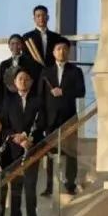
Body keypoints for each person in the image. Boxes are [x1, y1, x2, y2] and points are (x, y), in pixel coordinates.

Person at [2, 67, 46, 216]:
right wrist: (15, 137)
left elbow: (42, 122)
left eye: (26, 79)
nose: (23, 81)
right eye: (20, 79)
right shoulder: (9, 101)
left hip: (32, 148)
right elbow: (3, 125)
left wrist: (29, 138)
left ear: (31, 82)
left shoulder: (38, 101)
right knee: (15, 189)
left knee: (30, 186)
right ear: (15, 82)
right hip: (14, 150)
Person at [43, 39, 86, 195]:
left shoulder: (76, 71)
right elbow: (41, 97)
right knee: (50, 154)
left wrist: (63, 92)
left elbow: (81, 91)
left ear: (68, 52)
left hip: (69, 117)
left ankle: (70, 183)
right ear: (53, 52)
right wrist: (43, 121)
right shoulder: (46, 72)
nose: (62, 52)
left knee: (71, 152)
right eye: (59, 49)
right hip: (50, 119)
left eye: (65, 49)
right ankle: (50, 185)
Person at [22, 3, 65, 69]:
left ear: (47, 17)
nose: (41, 18)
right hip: (33, 73)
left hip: (51, 72)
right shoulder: (27, 37)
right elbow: (25, 58)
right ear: (34, 19)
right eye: (38, 16)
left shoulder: (56, 37)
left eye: (43, 15)